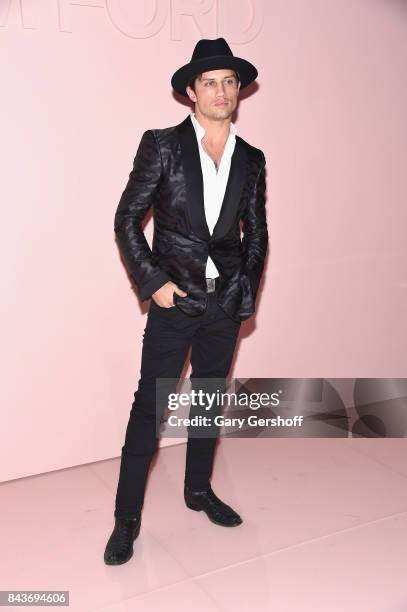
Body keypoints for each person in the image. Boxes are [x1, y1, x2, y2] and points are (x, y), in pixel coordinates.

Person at [104, 37, 268, 565]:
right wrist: (152, 283)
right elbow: (127, 218)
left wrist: (248, 287)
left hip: (225, 304)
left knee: (208, 401)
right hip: (175, 303)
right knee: (149, 409)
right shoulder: (163, 145)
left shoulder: (252, 157)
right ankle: (126, 518)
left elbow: (257, 233)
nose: (221, 91)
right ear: (191, 92)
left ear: (238, 90)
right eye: (209, 82)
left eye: (228, 81)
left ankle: (198, 490)